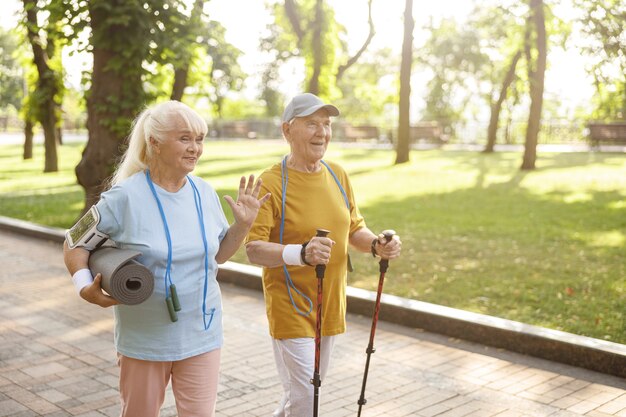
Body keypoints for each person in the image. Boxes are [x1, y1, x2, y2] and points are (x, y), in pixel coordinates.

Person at [63, 100, 270, 417]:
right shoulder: (124, 197)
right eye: (185, 138)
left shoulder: (204, 192)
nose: (195, 148)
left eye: (199, 139)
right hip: (146, 338)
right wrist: (83, 286)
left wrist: (242, 226)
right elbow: (74, 242)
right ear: (155, 143)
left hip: (203, 331)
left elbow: (219, 255)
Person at [245, 93, 402, 416]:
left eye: (327, 124)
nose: (322, 132)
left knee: (304, 392)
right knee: (305, 397)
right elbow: (254, 249)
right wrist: (301, 253)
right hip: (291, 305)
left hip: (329, 304)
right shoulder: (270, 183)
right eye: (311, 124)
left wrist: (377, 245)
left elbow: (354, 229)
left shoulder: (337, 175)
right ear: (287, 130)